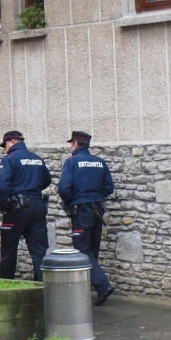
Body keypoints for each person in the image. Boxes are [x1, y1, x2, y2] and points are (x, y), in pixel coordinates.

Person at [58, 131, 116, 306]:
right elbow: (109, 188)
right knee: (92, 250)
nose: (71, 147)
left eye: (71, 144)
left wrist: (72, 202)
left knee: (83, 252)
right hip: (97, 209)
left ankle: (103, 286)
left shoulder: (72, 162)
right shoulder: (100, 162)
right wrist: (95, 196)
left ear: (75, 144)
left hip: (81, 210)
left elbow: (63, 188)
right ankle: (93, 289)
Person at [0, 131, 52, 282]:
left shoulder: (10, 159)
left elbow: (2, 186)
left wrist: (4, 207)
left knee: (9, 249)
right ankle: (42, 288)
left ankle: (5, 287)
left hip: (17, 207)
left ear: (12, 142)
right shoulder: (37, 159)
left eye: (5, 145)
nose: (4, 149)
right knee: (39, 250)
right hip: (37, 205)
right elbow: (47, 180)